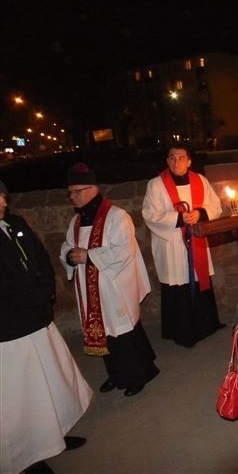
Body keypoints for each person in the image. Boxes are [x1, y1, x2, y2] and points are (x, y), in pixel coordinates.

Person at [1, 180, 92, 474]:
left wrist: (47, 290)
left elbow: (39, 257)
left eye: (3, 195)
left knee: (48, 383)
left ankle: (54, 436)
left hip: (37, 319)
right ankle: (28, 458)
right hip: (10, 331)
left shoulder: (14, 222)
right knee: (22, 396)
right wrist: (29, 299)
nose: (4, 201)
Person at [61, 163, 158, 397]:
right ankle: (115, 374)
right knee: (103, 333)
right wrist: (70, 256)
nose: (72, 196)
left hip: (113, 286)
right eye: (70, 192)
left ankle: (139, 375)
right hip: (89, 286)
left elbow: (123, 251)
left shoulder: (116, 216)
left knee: (122, 333)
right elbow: (66, 245)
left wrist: (89, 256)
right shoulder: (76, 221)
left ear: (92, 189)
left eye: (76, 191)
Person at [142, 145, 224, 348]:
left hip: (196, 240)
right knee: (178, 286)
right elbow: (150, 214)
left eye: (181, 158)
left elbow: (215, 206)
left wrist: (200, 213)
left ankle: (206, 325)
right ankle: (182, 332)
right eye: (171, 158)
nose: (176, 162)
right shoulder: (156, 185)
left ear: (189, 161)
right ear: (167, 161)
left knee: (199, 280)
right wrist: (179, 217)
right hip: (172, 245)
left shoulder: (200, 180)